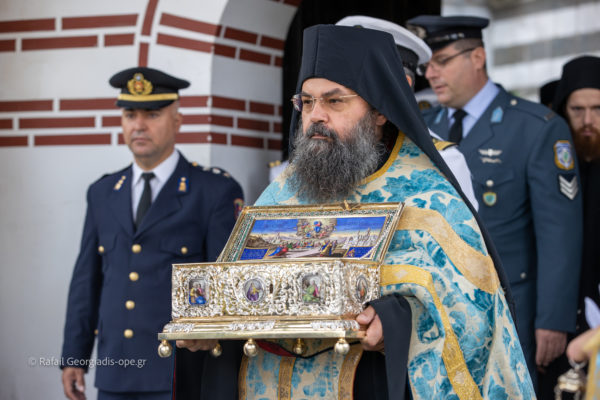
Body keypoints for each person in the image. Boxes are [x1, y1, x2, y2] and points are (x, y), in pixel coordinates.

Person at [178, 24, 534, 398]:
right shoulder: (282, 192)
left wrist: (396, 321)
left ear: (379, 111)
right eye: (307, 102)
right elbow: (239, 290)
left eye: (334, 101)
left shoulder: (428, 195)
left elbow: (473, 314)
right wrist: (211, 326)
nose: (316, 116)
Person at [408, 14, 583, 390]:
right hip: (439, 308)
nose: (431, 74)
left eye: (442, 61)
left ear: (477, 57)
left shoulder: (535, 126)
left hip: (510, 305)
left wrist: (552, 319)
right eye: (427, 66)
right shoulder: (422, 127)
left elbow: (559, 234)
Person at [60, 67, 244, 400]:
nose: (139, 125)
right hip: (115, 373)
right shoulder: (103, 192)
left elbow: (227, 286)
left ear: (177, 121)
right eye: (130, 115)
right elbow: (86, 281)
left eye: (153, 114)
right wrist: (74, 356)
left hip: (178, 372)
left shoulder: (213, 191)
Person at [336, 15, 479, 210]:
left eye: (363, 83)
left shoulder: (441, 163)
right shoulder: (324, 154)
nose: (348, 93)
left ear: (403, 85)